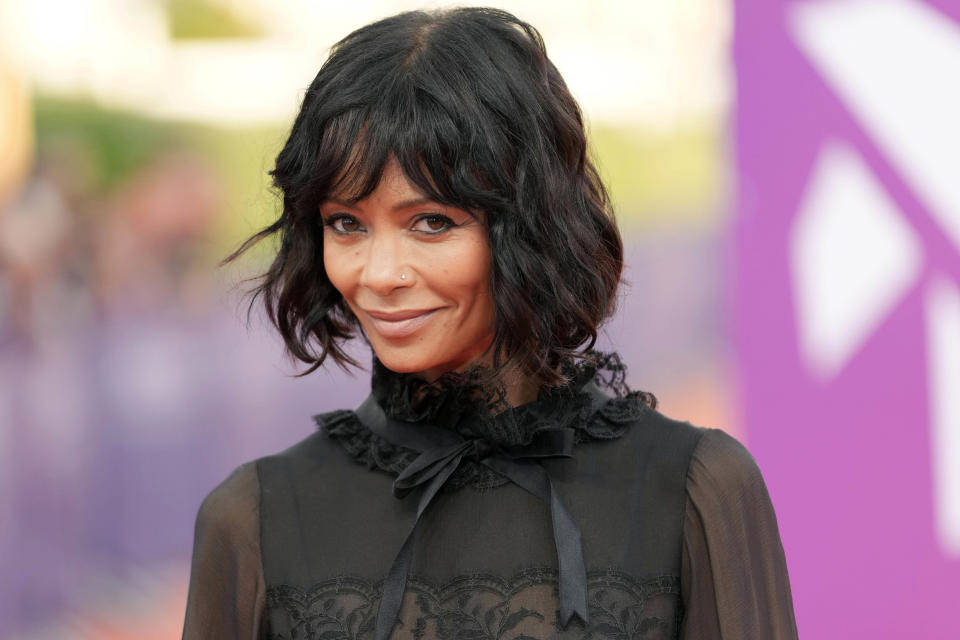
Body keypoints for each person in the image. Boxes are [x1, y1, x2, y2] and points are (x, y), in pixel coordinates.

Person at [181, 7, 798, 639]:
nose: (380, 273)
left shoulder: (696, 494)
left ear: (532, 226)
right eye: (347, 223)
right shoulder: (252, 521)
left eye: (432, 223)